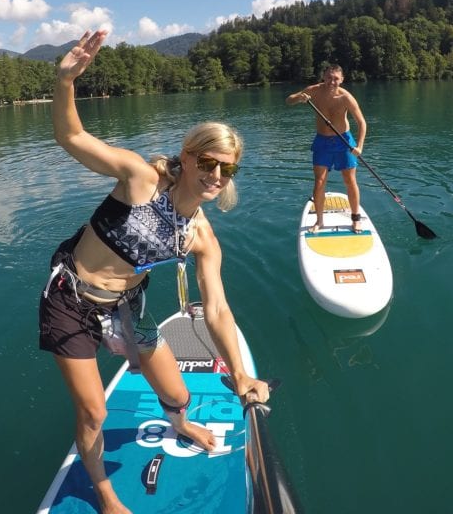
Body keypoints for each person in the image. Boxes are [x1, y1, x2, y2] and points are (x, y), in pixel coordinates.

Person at [39, 30, 270, 514]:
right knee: (94, 410)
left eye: (227, 170)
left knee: (178, 395)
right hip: (71, 297)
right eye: (208, 163)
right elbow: (71, 137)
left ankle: (180, 422)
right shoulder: (141, 179)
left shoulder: (202, 236)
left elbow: (218, 310)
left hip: (128, 305)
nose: (216, 176)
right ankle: (104, 495)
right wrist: (65, 82)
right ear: (187, 158)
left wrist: (242, 374)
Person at [286, 64, 367, 233]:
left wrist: (359, 146)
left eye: (336, 78)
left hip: (343, 141)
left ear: (342, 79)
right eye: (329, 77)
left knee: (350, 181)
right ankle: (319, 221)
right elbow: (289, 100)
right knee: (319, 181)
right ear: (324, 76)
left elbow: (361, 123)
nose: (332, 81)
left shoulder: (346, 97)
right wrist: (299, 97)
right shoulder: (314, 90)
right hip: (322, 142)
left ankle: (355, 218)